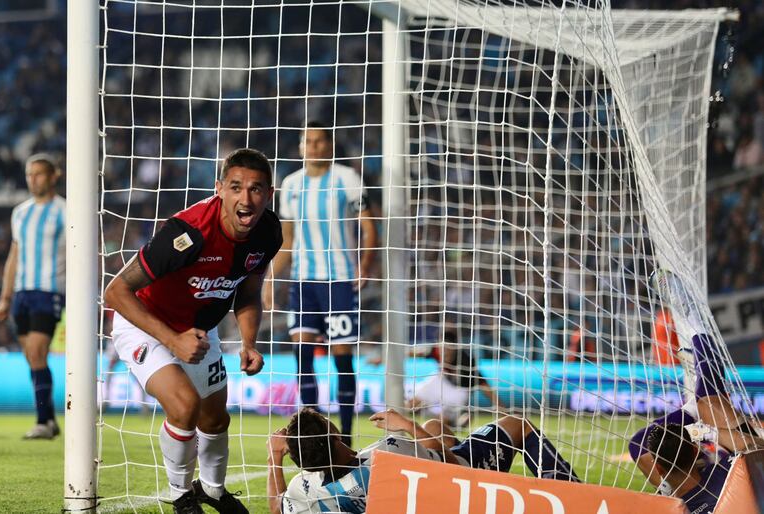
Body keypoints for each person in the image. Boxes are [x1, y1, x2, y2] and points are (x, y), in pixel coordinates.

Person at [104, 148, 282, 514]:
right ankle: (180, 494)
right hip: (144, 324)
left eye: (256, 189)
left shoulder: (268, 233)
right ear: (219, 189)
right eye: (236, 187)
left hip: (199, 329)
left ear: (269, 194)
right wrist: (172, 340)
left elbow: (248, 292)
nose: (245, 199)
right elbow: (116, 291)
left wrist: (249, 342)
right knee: (185, 407)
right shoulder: (188, 232)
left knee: (215, 418)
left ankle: (213, 491)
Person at [263, 121, 377, 446]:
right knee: (302, 354)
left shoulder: (346, 179)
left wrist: (365, 265)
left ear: (328, 145)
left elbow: (369, 227)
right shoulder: (290, 184)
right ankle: (311, 435)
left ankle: (345, 437)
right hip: (303, 282)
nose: (312, 146)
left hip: (339, 279)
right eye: (307, 141)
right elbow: (287, 240)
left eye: (318, 141)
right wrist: (271, 279)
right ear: (301, 147)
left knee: (342, 357)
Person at [266, 407, 579, 513]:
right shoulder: (388, 452)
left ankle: (434, 429)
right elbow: (450, 468)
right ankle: (571, 493)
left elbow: (277, 506)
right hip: (462, 485)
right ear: (334, 433)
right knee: (518, 424)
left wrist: (273, 459)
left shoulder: (306, 488)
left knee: (435, 426)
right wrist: (405, 425)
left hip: (410, 495)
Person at [628, 270, 764, 513]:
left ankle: (693, 405)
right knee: (713, 408)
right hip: (741, 478)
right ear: (696, 449)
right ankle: (693, 319)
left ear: (659, 468)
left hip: (684, 489)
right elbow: (755, 446)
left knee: (708, 408)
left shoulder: (678, 506)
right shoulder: (726, 475)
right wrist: (705, 431)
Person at [0, 154, 65, 440]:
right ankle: (49, 420)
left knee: (37, 352)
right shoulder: (21, 212)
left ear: (53, 176)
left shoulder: (66, 211)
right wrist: (6, 297)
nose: (33, 179)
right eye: (29, 174)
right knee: (32, 357)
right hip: (22, 293)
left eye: (39, 174)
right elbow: (14, 254)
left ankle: (44, 421)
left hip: (49, 291)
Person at [406, 329, 504, 427]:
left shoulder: (466, 361)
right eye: (441, 347)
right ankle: (417, 411)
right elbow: (418, 353)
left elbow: (484, 386)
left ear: (454, 348)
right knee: (413, 401)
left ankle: (455, 420)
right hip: (441, 380)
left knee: (444, 419)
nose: (443, 352)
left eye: (447, 348)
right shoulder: (435, 350)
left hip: (458, 391)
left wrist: (501, 408)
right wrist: (403, 353)